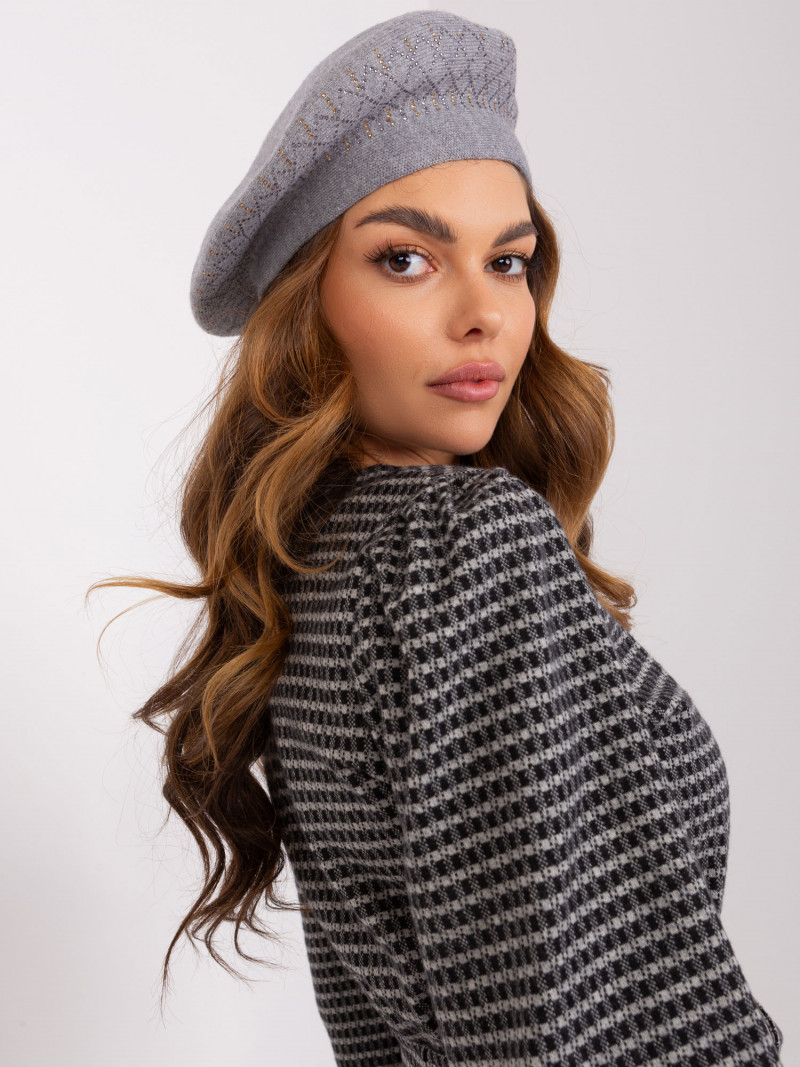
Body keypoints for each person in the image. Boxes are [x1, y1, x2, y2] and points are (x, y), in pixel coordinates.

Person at [90, 9, 784, 1065]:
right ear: (308, 306)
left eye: (508, 261)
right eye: (407, 259)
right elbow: (590, 1030)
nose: (484, 313)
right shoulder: (462, 543)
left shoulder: (320, 562)